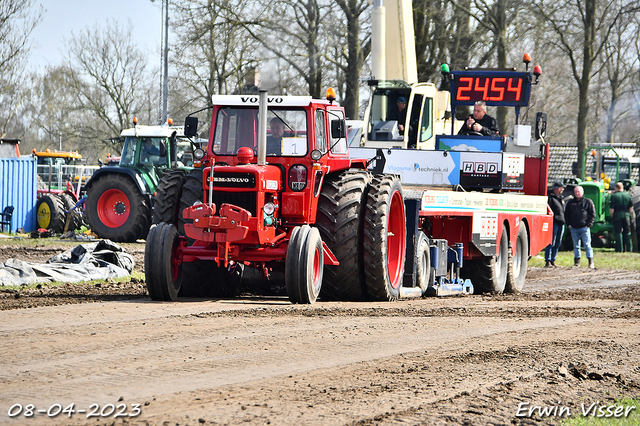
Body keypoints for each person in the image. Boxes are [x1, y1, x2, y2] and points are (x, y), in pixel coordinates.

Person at [564, 185, 596, 269]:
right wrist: (569, 224)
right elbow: (566, 214)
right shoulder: (570, 203)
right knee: (576, 246)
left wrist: (588, 224)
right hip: (574, 228)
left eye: (578, 192)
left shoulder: (588, 202)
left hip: (584, 228)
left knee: (587, 245)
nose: (577, 193)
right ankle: (577, 262)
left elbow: (592, 214)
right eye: (575, 192)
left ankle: (590, 262)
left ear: (582, 192)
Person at [544, 182, 565, 268]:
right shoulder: (550, 198)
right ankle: (548, 260)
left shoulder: (560, 198)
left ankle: (553, 259)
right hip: (554, 223)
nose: (562, 190)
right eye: (561, 188)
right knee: (551, 242)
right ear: (557, 188)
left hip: (561, 222)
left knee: (558, 243)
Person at [609, 181, 634, 252]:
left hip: (617, 215)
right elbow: (631, 207)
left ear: (616, 188)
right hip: (626, 215)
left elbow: (612, 208)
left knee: (618, 232)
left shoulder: (614, 196)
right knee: (627, 231)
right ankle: (629, 248)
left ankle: (619, 249)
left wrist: (612, 216)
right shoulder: (628, 195)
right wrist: (628, 214)